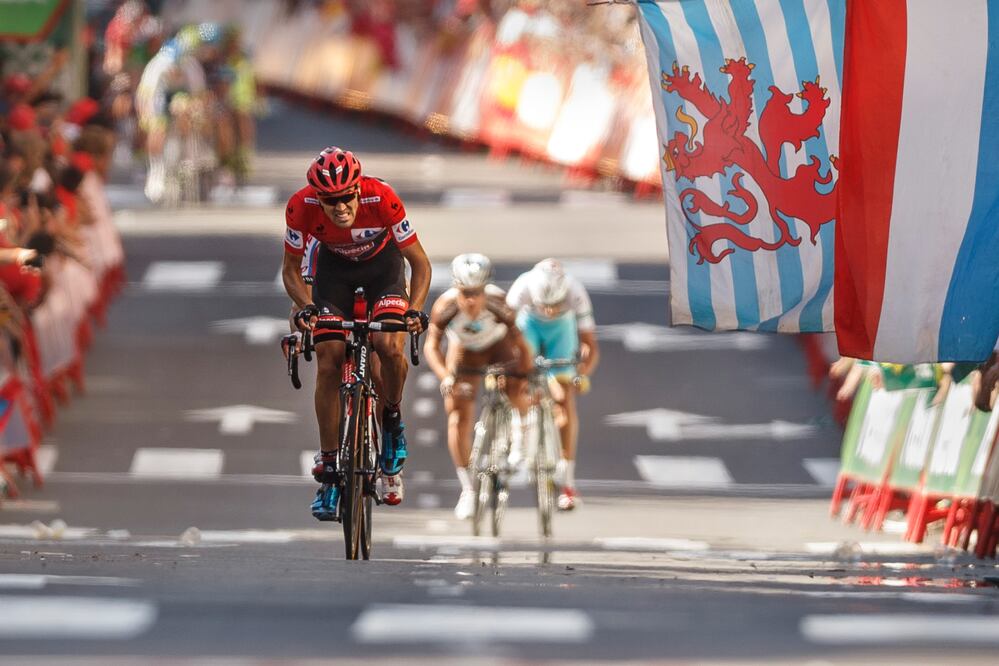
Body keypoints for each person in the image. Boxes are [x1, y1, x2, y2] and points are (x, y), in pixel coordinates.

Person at [281, 146, 431, 519]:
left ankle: (392, 420)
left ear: (358, 190)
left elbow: (420, 264)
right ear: (317, 198)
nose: (340, 206)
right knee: (329, 360)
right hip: (335, 274)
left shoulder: (383, 198)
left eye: (347, 196)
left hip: (384, 270)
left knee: (388, 345)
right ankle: (330, 469)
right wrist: (306, 309)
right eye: (330, 201)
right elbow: (291, 272)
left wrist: (415, 309)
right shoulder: (300, 207)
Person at [424, 253, 532, 519]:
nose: (471, 300)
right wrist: (445, 377)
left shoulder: (499, 302)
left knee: (514, 387)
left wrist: (524, 374)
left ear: (485, 290)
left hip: (498, 346)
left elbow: (522, 345)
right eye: (464, 292)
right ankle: (469, 489)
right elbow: (432, 346)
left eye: (476, 292)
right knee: (457, 415)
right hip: (464, 351)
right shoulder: (445, 306)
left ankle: (521, 434)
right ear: (456, 289)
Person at [507, 258, 599, 511]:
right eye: (544, 305)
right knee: (519, 374)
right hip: (529, 326)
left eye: (555, 305)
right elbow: (505, 334)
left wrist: (581, 374)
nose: (549, 310)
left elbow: (590, 346)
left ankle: (567, 481)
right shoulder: (522, 287)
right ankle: (521, 431)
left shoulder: (575, 291)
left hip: (562, 331)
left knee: (564, 399)